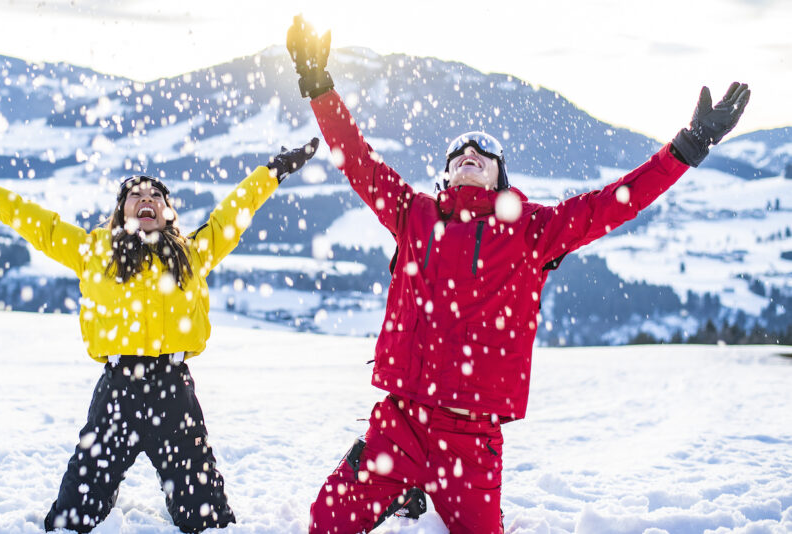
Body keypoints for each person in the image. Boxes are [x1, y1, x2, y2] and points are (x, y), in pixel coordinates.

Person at [285, 15, 749, 534]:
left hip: (471, 439)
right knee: (325, 522)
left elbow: (616, 202)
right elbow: (357, 160)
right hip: (400, 425)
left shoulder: (533, 231)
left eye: (483, 153)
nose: (469, 154)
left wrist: (685, 147)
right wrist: (318, 85)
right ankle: (408, 490)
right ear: (445, 173)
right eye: (459, 152)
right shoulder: (411, 214)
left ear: (500, 177)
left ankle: (423, 494)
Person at [0, 137, 319, 533]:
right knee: (72, 521)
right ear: (121, 211)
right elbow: (33, 220)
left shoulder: (193, 254)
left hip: (174, 395)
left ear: (168, 212)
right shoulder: (92, 252)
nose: (146, 200)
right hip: (117, 394)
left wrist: (274, 170)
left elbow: (234, 212)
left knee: (206, 521)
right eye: (135, 195)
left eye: (156, 196)